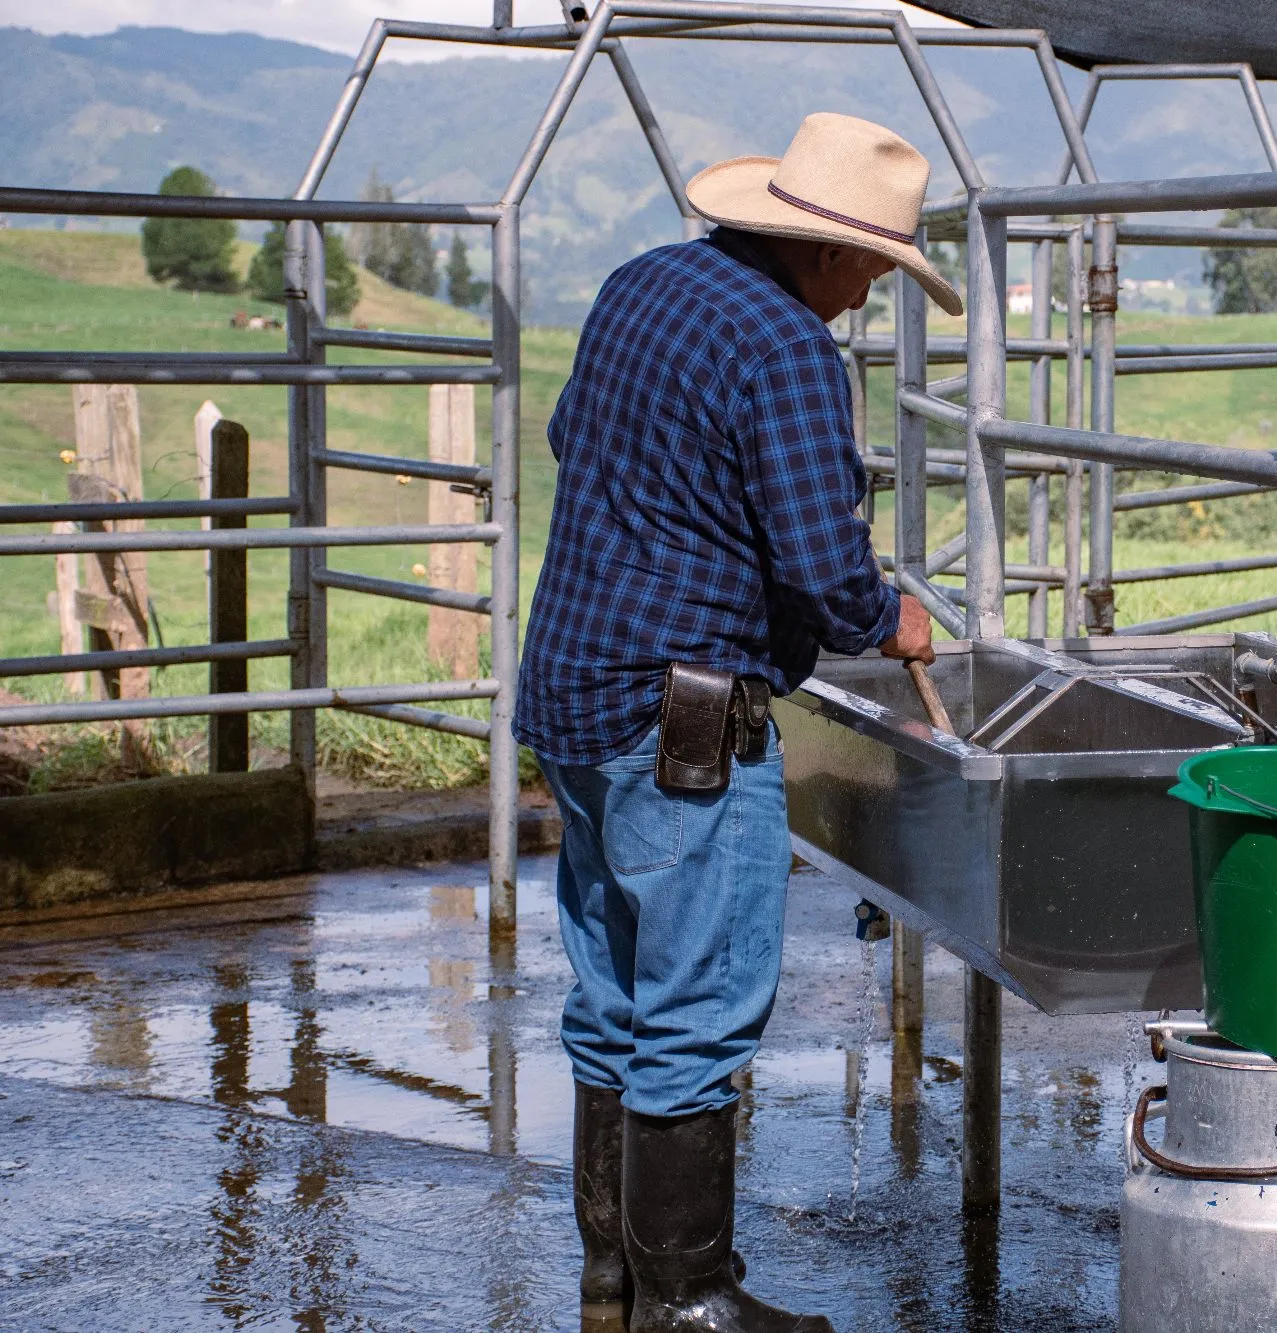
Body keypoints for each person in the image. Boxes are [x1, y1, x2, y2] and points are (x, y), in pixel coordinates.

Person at [515, 112, 960, 1333]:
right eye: (874, 264)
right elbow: (823, 566)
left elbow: (569, 438)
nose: (872, 289)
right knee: (697, 1006)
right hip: (686, 714)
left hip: (568, 685)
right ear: (823, 249)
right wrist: (893, 621)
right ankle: (691, 1297)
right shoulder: (789, 351)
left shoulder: (643, 282)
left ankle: (612, 1275)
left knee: (609, 992)